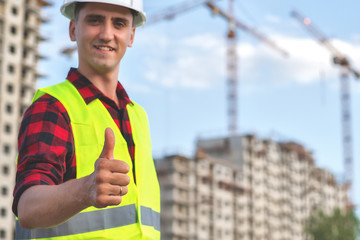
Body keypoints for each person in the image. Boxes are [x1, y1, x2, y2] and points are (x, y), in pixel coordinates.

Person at [12, 0, 160, 239]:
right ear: (73, 29)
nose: (106, 34)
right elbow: (27, 208)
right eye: (95, 20)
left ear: (131, 36)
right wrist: (86, 189)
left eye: (119, 23)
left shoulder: (138, 116)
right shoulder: (53, 106)